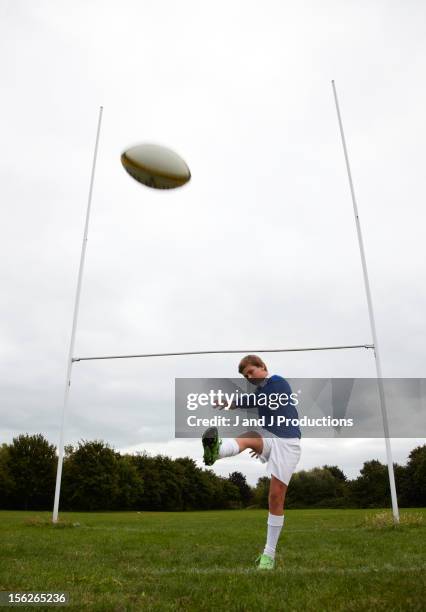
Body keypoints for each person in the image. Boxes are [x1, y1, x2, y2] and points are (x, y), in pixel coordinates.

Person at [202, 354, 301, 570]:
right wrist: (263, 447)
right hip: (270, 437)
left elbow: (261, 400)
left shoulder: (278, 382)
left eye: (251, 372)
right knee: (249, 437)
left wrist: (233, 403)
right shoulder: (260, 390)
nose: (249, 377)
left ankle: (269, 555)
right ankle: (215, 452)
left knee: (275, 497)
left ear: (263, 367)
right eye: (246, 375)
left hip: (287, 443)